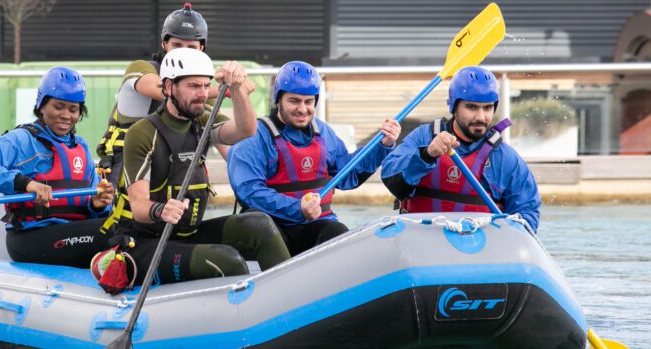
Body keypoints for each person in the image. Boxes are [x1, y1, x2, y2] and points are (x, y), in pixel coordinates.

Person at [103, 47, 291, 285]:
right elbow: (139, 207)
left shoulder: (203, 120)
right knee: (226, 260)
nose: (202, 94)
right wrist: (160, 210)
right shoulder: (142, 132)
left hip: (188, 234)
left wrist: (237, 89)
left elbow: (245, 130)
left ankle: (289, 297)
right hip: (146, 243)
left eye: (205, 85)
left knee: (259, 224)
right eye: (193, 86)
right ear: (169, 87)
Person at [227, 61, 401, 255]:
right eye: (294, 101)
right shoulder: (254, 137)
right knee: (261, 227)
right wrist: (297, 208)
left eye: (308, 102)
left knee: (337, 232)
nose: (302, 109)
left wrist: (382, 146)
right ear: (278, 100)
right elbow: (248, 191)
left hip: (314, 225)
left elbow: (348, 175)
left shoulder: (323, 132)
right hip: (272, 229)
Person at [0, 66, 116, 268]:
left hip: (73, 234)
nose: (66, 115)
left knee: (126, 223)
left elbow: (95, 208)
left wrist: (97, 205)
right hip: (31, 238)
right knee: (114, 230)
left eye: (73, 109)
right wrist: (26, 184)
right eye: (58, 106)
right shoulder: (19, 140)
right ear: (42, 105)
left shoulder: (81, 147)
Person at [381, 65, 541, 231]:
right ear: (454, 108)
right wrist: (427, 154)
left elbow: (527, 213)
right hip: (420, 241)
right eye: (471, 107)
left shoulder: (504, 157)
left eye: (487, 108)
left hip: (478, 249)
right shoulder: (423, 137)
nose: (480, 117)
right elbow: (391, 179)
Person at [96, 2, 222, 191]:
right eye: (177, 45)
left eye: (191, 47)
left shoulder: (204, 89)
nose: (183, 52)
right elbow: (161, 89)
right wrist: (227, 89)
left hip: (175, 167)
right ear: (164, 44)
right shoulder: (141, 69)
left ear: (202, 48)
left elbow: (224, 141)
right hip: (129, 167)